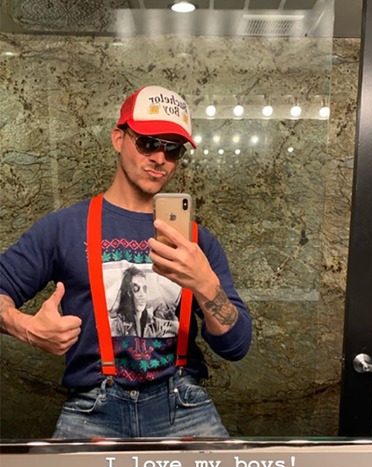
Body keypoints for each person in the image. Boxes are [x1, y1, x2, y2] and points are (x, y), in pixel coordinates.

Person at [0, 84, 252, 439]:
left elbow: (236, 346)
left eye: (173, 149)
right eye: (148, 143)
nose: (160, 158)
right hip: (93, 409)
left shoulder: (197, 242)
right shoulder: (65, 228)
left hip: (183, 407)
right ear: (118, 139)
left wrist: (206, 285)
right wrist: (24, 326)